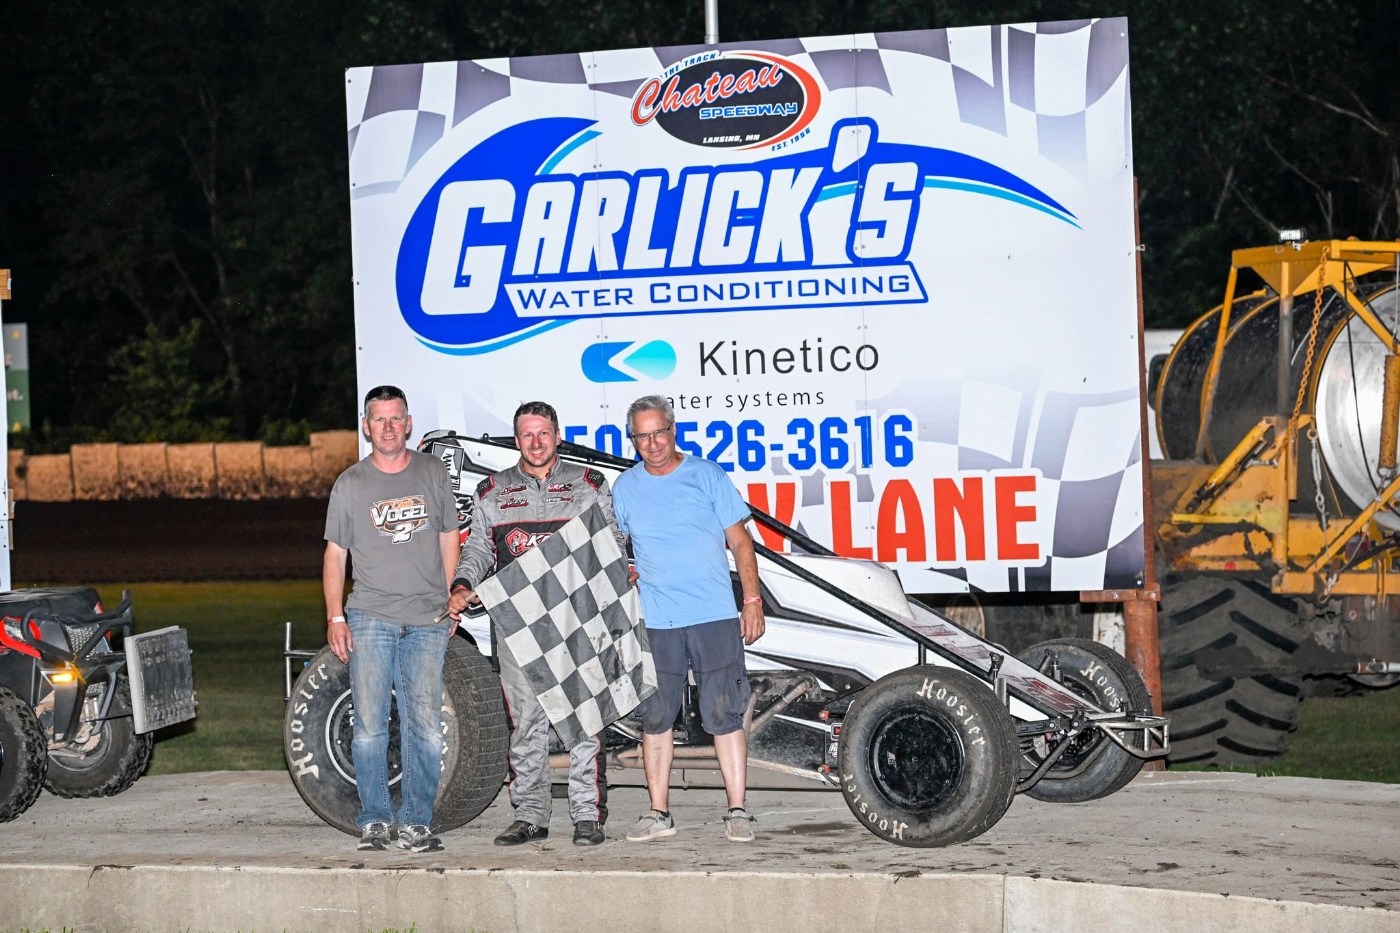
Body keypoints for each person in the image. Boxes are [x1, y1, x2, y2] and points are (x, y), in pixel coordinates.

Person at [446, 401, 622, 847]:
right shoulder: (492, 491)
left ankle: (587, 816)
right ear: (517, 439)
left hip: (577, 621)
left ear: (557, 436)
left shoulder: (588, 485)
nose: (536, 442)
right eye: (527, 435)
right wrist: (464, 583)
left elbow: (613, 545)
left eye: (543, 433)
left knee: (584, 721)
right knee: (526, 723)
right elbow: (479, 551)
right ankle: (530, 815)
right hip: (517, 625)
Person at [612, 394, 765, 844]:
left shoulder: (707, 475)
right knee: (655, 717)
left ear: (673, 430)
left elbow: (741, 544)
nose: (653, 443)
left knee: (725, 714)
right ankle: (658, 813)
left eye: (659, 431)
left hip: (714, 615)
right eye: (642, 435)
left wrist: (752, 600)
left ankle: (738, 811)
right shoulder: (625, 488)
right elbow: (614, 553)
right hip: (657, 621)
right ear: (633, 440)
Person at [323, 385, 461, 853]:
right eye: (378, 419)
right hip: (370, 617)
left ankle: (417, 822)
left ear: (408, 423)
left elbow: (448, 537)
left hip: (427, 619)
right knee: (370, 725)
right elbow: (334, 555)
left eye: (395, 418)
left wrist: (449, 603)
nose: (387, 427)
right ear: (366, 426)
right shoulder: (351, 484)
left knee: (424, 724)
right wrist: (335, 616)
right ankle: (376, 820)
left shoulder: (431, 471)